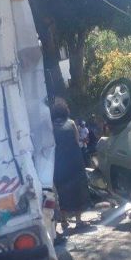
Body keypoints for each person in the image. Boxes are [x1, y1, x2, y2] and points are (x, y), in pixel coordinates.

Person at [51, 99, 90, 233]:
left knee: (62, 191)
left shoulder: (51, 126)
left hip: (59, 163)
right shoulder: (71, 123)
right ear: (65, 111)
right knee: (77, 190)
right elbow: (77, 140)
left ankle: (64, 220)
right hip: (74, 161)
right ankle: (78, 220)